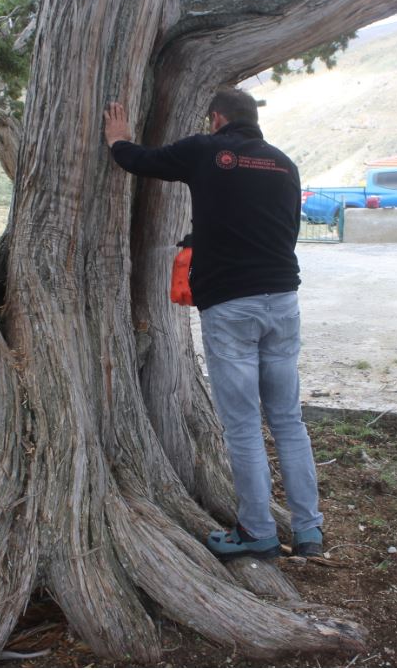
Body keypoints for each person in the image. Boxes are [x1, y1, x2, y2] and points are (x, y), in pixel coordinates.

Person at [103, 88, 324, 560]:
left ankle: (257, 532)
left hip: (231, 308)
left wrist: (117, 139)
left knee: (243, 425)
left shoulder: (207, 150)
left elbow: (140, 161)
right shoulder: (284, 163)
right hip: (283, 301)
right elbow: (278, 229)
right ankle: (309, 531)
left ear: (217, 118)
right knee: (288, 421)